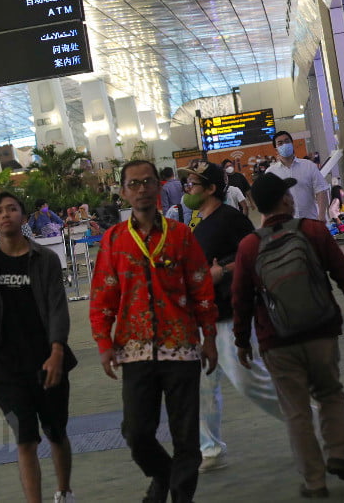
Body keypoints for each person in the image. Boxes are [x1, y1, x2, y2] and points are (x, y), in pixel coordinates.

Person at [90, 160, 218, 503]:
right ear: (123, 192)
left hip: (182, 348)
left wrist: (210, 338)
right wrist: (104, 342)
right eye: (133, 184)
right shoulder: (114, 240)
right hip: (134, 350)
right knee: (136, 432)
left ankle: (180, 496)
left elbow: (201, 287)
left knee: (186, 436)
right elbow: (103, 294)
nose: (141, 188)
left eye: (147, 182)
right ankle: (163, 476)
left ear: (158, 188)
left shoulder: (181, 235)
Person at [232, 173, 344, 498]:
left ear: (255, 208)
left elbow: (240, 299)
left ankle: (315, 482)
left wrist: (241, 341)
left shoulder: (249, 247)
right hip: (321, 332)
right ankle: (338, 455)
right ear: (287, 201)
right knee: (331, 393)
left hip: (277, 340)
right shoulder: (313, 231)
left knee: (296, 410)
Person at [179, 161, 282, 473]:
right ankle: (209, 449)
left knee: (251, 382)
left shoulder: (230, 219)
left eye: (194, 184)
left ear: (211, 189)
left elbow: (256, 252)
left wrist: (221, 271)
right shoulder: (199, 223)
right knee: (201, 386)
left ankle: (310, 416)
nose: (188, 189)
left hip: (228, 315)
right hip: (204, 317)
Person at [0, 192, 76, 503]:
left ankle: (64, 491)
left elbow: (58, 308)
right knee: (25, 439)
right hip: (6, 367)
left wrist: (57, 351)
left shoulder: (45, 260)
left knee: (56, 432)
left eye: (12, 209)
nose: (5, 215)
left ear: (23, 216)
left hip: (47, 360)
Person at [265, 131, 328, 220]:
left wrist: (321, 215)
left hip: (311, 220)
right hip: (286, 225)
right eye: (280, 143)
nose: (284, 145)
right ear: (276, 149)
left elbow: (321, 190)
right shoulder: (270, 173)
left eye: (287, 141)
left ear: (292, 143)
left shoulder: (308, 165)